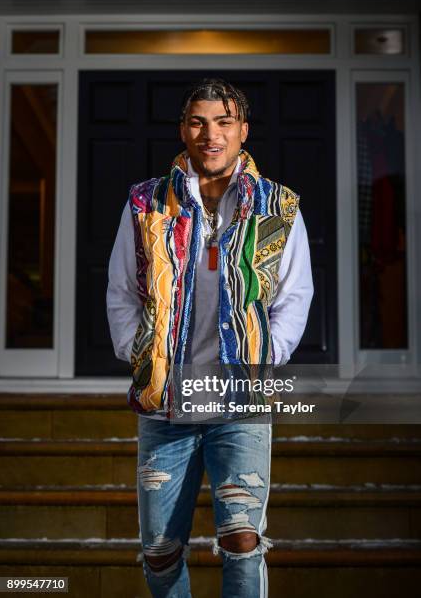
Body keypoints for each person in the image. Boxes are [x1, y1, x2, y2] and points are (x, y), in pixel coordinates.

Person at [107, 78, 313, 598]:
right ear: (184, 129)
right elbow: (121, 291)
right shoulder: (146, 203)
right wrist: (141, 353)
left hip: (240, 402)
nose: (210, 134)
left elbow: (294, 295)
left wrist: (265, 356)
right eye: (198, 122)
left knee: (242, 539)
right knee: (160, 548)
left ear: (242, 131)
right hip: (167, 402)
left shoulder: (278, 206)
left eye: (223, 122)